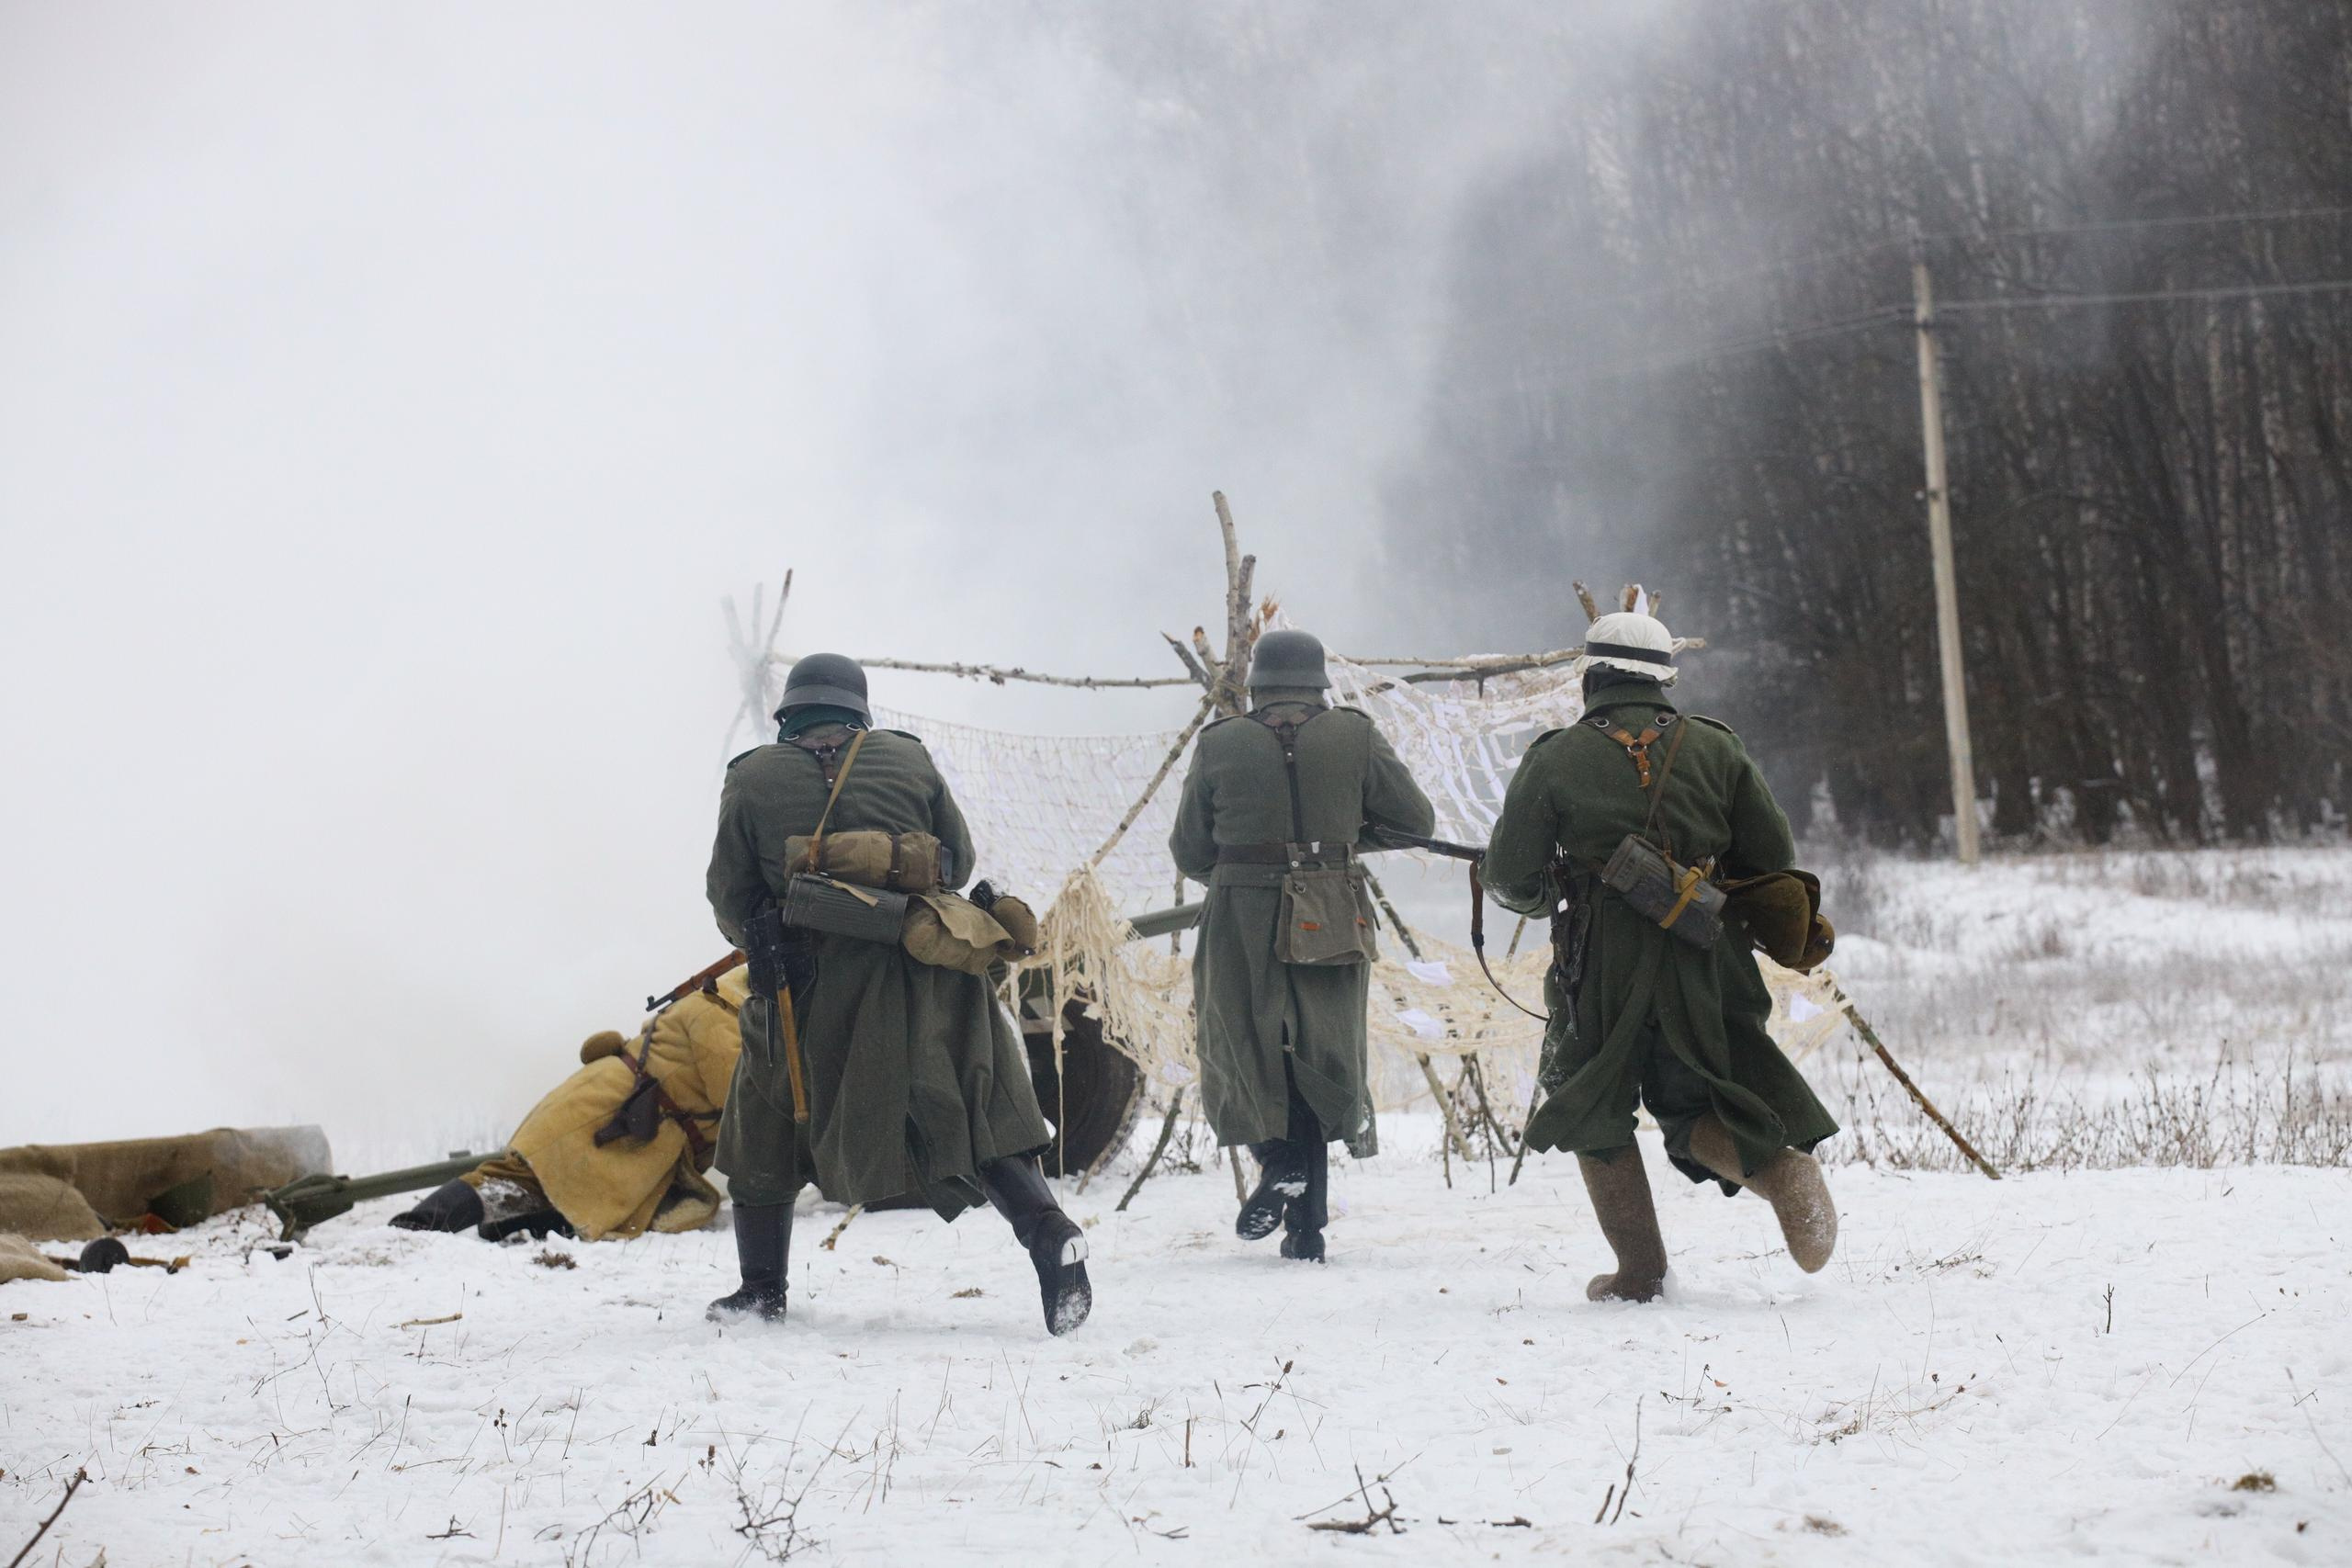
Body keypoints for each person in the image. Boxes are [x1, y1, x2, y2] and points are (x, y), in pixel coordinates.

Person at [705, 652, 1090, 1334]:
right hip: (929, 973)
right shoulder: (908, 761)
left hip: (806, 990)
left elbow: (730, 896)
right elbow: (959, 860)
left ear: (790, 712)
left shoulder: (752, 776)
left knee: (765, 1123)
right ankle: (1051, 1233)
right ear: (859, 712)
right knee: (979, 1115)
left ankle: (761, 1290)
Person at [1481, 610, 1839, 1302]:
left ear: (1593, 676)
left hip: (1600, 961)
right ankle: (1782, 1172)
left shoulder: (1553, 758)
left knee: (1590, 1098)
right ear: (1664, 679)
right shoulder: (1717, 748)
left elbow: (1509, 877)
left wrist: (1553, 888)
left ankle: (1640, 1272)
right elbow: (1772, 859)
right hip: (1707, 951)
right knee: (1692, 1098)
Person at [1169, 629, 1437, 1262]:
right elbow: (1414, 822)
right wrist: (1340, 842)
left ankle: (1280, 1160)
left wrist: (1246, 868)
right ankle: (1307, 1226)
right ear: (1319, 683)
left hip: (1241, 914)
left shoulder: (1219, 743)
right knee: (1321, 1049)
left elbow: (1189, 851)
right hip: (1332, 907)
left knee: (1242, 1044)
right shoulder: (1354, 734)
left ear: (1256, 685)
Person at [390, 972, 745, 1242]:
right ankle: (413, 1230)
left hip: (628, 1115)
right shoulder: (715, 1011)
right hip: (604, 1107)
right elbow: (737, 1093)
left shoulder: (721, 1009)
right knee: (515, 1178)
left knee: (590, 1206)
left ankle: (505, 1227)